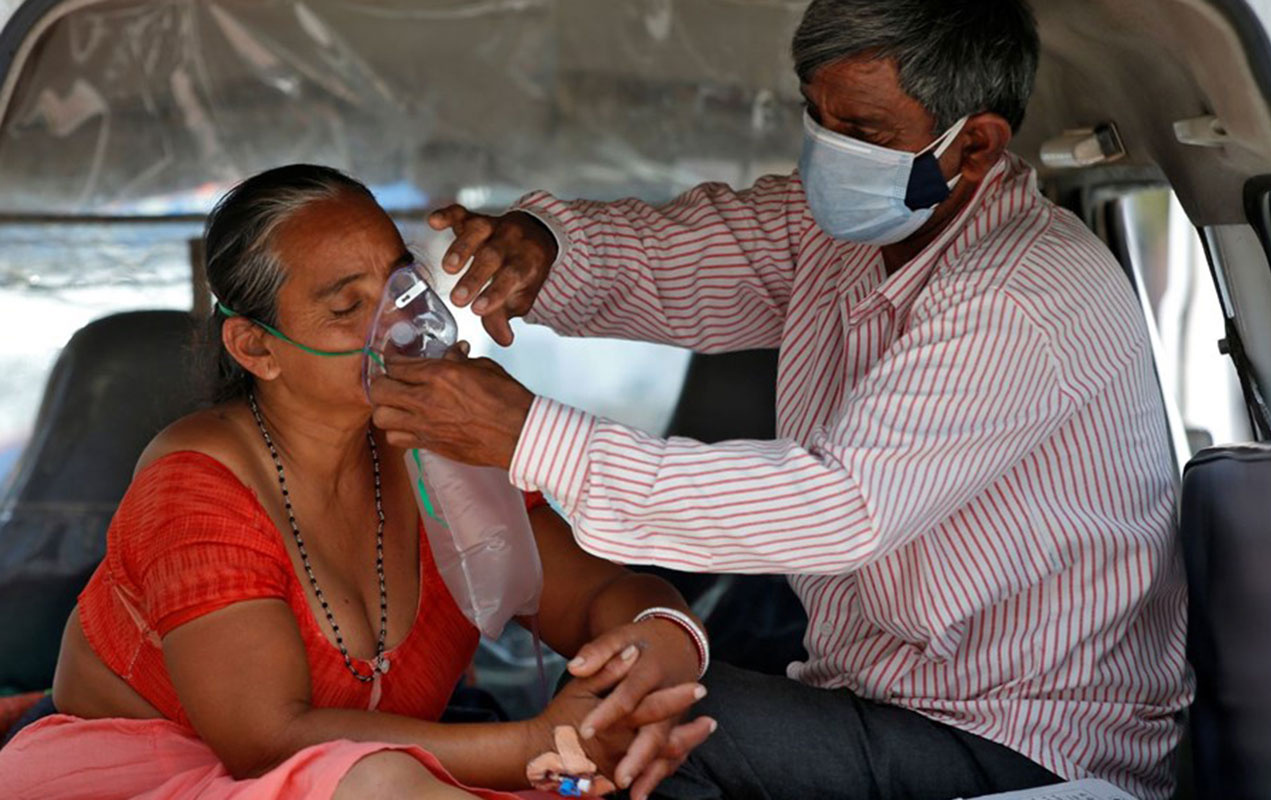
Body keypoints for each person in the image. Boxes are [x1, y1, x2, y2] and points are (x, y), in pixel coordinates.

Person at [365, 1, 1194, 798]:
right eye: (816, 117)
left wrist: (530, 435)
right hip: (882, 696)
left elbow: (838, 506)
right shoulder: (842, 233)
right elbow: (672, 258)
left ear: (974, 146)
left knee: (662, 731)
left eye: (864, 133)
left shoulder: (1024, 290)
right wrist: (547, 251)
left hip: (1022, 739)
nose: (827, 153)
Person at [0, 164, 716, 800]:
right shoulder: (197, 484)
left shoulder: (445, 444)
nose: (403, 322)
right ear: (257, 347)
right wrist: (539, 745)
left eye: (404, 281)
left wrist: (655, 648)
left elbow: (595, 593)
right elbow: (266, 740)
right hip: (148, 773)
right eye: (348, 308)